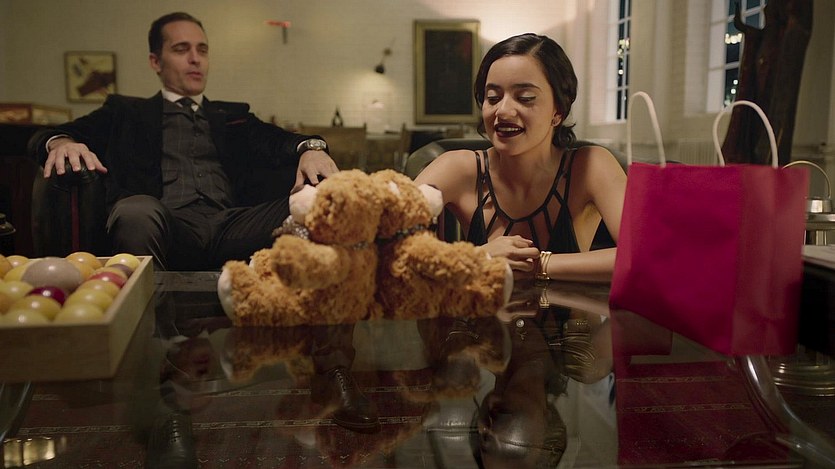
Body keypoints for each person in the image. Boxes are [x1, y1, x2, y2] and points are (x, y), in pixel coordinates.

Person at [30, 12, 338, 270]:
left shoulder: (233, 116)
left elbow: (279, 141)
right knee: (135, 211)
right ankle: (147, 317)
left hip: (234, 224)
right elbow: (49, 135)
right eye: (181, 50)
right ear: (155, 61)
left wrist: (312, 148)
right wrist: (61, 143)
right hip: (166, 224)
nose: (195, 59)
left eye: (202, 50)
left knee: (318, 203)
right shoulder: (125, 112)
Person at [414, 33, 626, 282]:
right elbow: (385, 239)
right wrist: (478, 258)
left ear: (558, 111)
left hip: (573, 310)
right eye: (493, 98)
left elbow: (644, 256)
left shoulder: (590, 166)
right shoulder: (457, 167)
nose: (503, 111)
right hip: (481, 307)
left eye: (525, 98)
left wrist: (537, 265)